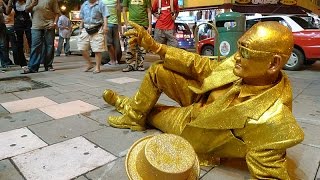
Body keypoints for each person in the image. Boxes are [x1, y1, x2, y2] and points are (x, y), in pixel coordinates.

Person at [103, 21, 304, 179]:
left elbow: (271, 175)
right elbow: (200, 65)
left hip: (195, 126)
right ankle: (134, 116)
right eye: (238, 47)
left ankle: (126, 106)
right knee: (159, 71)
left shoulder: (273, 121)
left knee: (154, 113)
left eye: (245, 51)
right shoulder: (242, 67)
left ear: (273, 63)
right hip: (200, 97)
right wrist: (156, 47)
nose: (236, 57)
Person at [22, 0, 60, 74]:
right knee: (35, 46)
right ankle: (33, 67)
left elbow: (57, 12)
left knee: (49, 46)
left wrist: (55, 23)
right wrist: (32, 4)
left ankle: (48, 65)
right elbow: (26, 10)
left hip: (49, 25)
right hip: (36, 26)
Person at [78, 0, 109, 74]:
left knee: (97, 49)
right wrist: (81, 25)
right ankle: (89, 63)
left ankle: (97, 67)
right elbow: (82, 17)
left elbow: (105, 16)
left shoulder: (101, 4)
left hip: (97, 28)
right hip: (86, 28)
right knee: (81, 47)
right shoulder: (84, 4)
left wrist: (105, 26)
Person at [122, 0, 152, 72]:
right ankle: (130, 65)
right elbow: (124, 10)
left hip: (143, 25)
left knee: (142, 47)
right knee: (130, 45)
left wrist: (150, 26)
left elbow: (149, 11)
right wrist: (126, 23)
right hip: (132, 25)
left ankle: (140, 65)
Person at [6, 0, 32, 68]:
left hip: (28, 22)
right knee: (19, 43)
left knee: (31, 40)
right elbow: (7, 12)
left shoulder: (28, 1)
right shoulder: (13, 2)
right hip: (18, 23)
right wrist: (9, 4)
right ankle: (22, 62)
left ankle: (33, 60)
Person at [102, 0, 121, 66]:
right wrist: (119, 24)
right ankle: (115, 61)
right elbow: (118, 12)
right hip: (114, 24)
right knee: (115, 44)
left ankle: (113, 60)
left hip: (107, 25)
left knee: (108, 43)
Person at [0, 0, 14, 69]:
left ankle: (4, 63)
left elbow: (7, 12)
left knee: (3, 45)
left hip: (1, 25)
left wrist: (9, 3)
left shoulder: (1, 1)